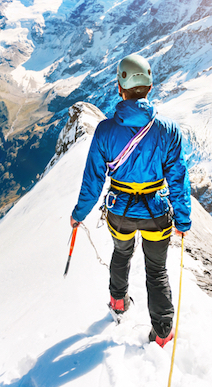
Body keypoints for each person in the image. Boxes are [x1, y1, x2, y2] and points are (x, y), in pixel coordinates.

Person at [70, 54, 192, 348]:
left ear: (120, 88)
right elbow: (178, 178)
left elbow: (93, 179)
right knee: (157, 270)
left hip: (119, 212)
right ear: (149, 87)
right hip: (157, 213)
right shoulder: (167, 130)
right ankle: (162, 332)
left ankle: (118, 301)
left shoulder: (105, 131)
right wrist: (183, 220)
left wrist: (79, 213)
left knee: (122, 254)